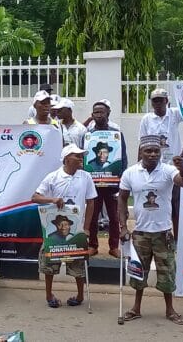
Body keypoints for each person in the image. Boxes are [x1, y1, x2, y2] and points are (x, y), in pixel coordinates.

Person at [118, 135, 183, 325]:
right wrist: (122, 226)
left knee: (167, 272)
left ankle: (170, 310)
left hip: (163, 233)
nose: (152, 154)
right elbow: (121, 199)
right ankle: (136, 308)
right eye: (148, 151)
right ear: (141, 152)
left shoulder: (168, 170)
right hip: (140, 232)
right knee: (138, 272)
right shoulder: (130, 173)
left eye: (156, 151)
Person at [32, 144, 97, 308]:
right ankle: (49, 295)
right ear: (67, 159)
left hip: (76, 228)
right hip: (54, 227)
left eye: (82, 155)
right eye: (77, 156)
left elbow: (91, 203)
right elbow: (35, 197)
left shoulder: (86, 177)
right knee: (50, 262)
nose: (81, 158)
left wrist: (87, 227)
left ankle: (80, 296)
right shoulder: (53, 177)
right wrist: (52, 200)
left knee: (78, 263)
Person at [139, 88, 183, 240]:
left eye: (161, 100)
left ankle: (178, 239)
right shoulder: (147, 119)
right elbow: (142, 142)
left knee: (176, 205)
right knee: (155, 202)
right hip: (154, 166)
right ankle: (156, 236)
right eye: (155, 100)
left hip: (173, 167)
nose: (158, 103)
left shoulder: (174, 114)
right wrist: (140, 164)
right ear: (151, 102)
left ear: (167, 101)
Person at [86, 99, 128, 258]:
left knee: (114, 216)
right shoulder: (88, 136)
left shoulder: (116, 135)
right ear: (92, 115)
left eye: (101, 112)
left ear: (108, 113)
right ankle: (92, 245)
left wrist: (121, 179)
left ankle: (114, 246)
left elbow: (123, 158)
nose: (98, 115)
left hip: (113, 183)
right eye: (95, 112)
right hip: (93, 184)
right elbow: (85, 160)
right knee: (92, 216)